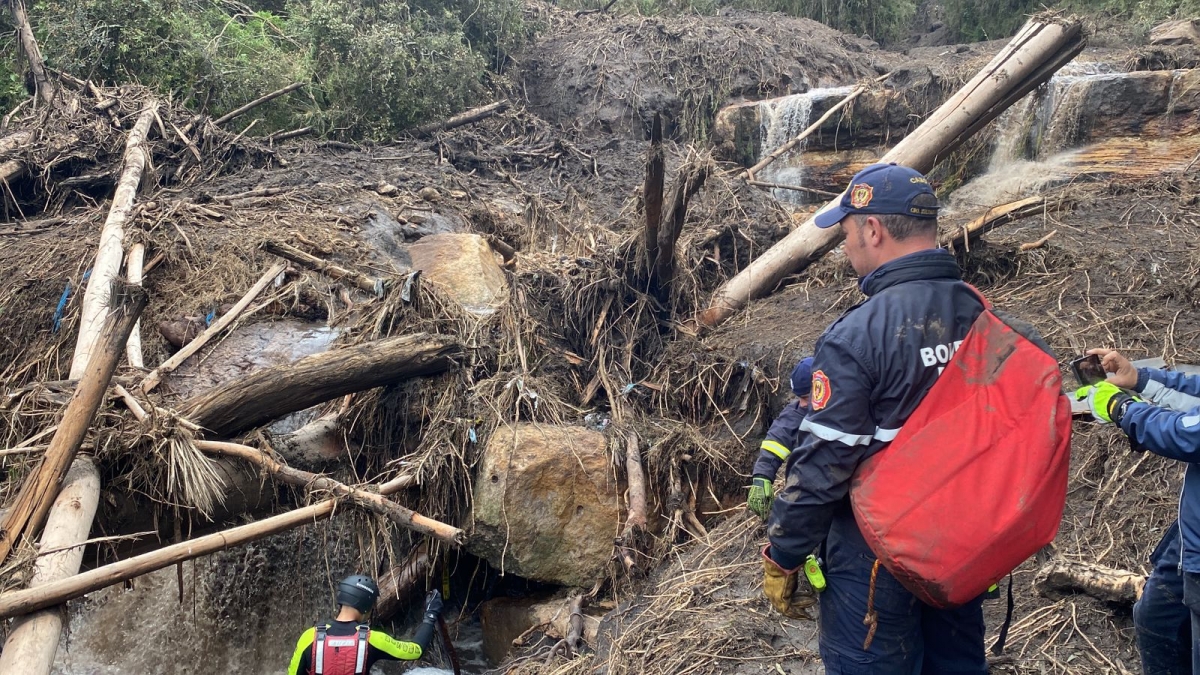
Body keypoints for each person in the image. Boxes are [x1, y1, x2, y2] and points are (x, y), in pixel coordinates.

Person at [761, 163, 993, 673]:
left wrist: (783, 552)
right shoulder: (981, 314)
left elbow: (823, 467)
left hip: (877, 556)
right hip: (963, 541)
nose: (846, 247)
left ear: (873, 229)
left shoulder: (856, 337)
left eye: (846, 233)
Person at [1075, 349, 1200, 674]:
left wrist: (1122, 408)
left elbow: (1188, 435)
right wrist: (1142, 380)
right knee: (1157, 615)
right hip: (1192, 533)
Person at [288, 574, 445, 675]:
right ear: (366, 605)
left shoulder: (309, 637)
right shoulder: (372, 639)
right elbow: (415, 651)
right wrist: (430, 616)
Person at [747, 356, 813, 521]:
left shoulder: (850, 409)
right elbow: (777, 440)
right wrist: (762, 475)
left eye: (806, 397)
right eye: (799, 397)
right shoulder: (798, 410)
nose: (802, 404)